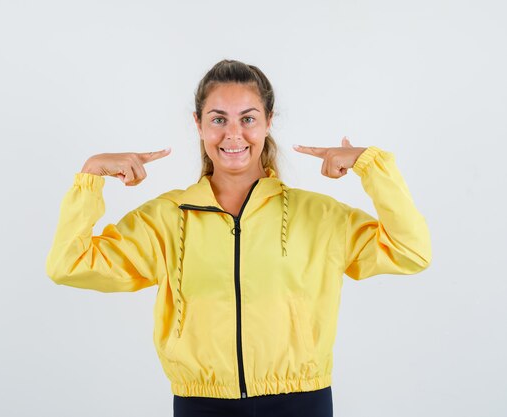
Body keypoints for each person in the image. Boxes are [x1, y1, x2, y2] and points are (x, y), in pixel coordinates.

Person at [45, 59, 432, 417]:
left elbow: (410, 251)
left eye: (248, 118)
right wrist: (91, 176)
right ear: (198, 124)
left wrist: (372, 167)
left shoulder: (318, 216)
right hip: (201, 404)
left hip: (301, 402)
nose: (234, 134)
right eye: (218, 119)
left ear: (268, 121)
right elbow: (69, 265)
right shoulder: (164, 219)